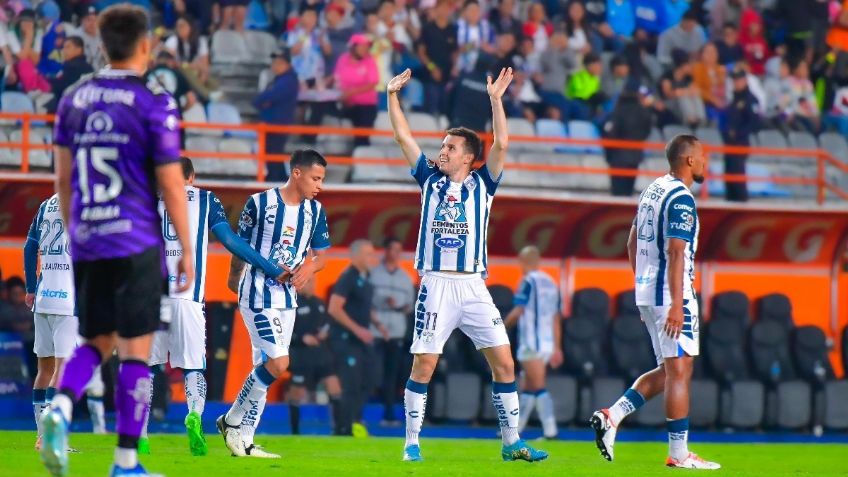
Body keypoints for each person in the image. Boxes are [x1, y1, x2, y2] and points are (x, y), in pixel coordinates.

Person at [41, 5, 194, 477]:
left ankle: (61, 407)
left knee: (93, 341)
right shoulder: (154, 98)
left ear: (101, 46)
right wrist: (187, 247)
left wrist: (76, 231)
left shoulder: (74, 98)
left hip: (89, 239)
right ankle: (126, 461)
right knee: (134, 350)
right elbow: (171, 183)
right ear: (145, 44)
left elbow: (63, 180)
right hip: (138, 242)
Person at [386, 66, 548, 463]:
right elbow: (403, 137)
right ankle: (411, 442)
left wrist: (495, 100)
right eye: (442, 145)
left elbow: (504, 144)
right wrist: (391, 96)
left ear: (471, 158)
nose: (442, 151)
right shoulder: (429, 180)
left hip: (474, 286)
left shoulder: (483, 185)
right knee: (424, 364)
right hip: (437, 284)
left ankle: (511, 443)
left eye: (451, 147)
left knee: (505, 361)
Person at [140, 157, 288, 456]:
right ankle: (194, 414)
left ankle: (140, 434)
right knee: (193, 366)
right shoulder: (206, 199)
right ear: (191, 177)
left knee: (144, 367)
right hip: (188, 297)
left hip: (148, 297)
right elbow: (230, 241)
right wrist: (270, 267)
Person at [591, 134, 720, 470]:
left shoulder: (653, 190)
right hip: (670, 296)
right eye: (703, 156)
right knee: (680, 371)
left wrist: (641, 289)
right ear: (689, 160)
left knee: (668, 370)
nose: (707, 162)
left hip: (649, 293)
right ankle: (679, 454)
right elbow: (677, 252)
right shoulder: (681, 198)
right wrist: (677, 303)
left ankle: (612, 415)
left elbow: (632, 242)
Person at [217, 149, 331, 458]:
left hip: (287, 299)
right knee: (279, 363)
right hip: (256, 293)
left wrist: (310, 267)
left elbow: (321, 255)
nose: (319, 185)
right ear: (297, 173)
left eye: (322, 179)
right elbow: (240, 244)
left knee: (265, 368)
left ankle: (245, 441)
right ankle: (231, 421)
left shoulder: (315, 211)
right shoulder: (260, 203)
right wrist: (233, 277)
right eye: (315, 178)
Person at [25, 194, 109, 451]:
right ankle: (51, 438)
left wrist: (31, 288)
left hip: (43, 298)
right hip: (67, 301)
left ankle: (42, 436)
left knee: (44, 370)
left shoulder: (46, 203)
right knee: (61, 372)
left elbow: (29, 247)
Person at [503, 246, 563, 440]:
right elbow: (555, 318)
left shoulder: (527, 281)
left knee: (538, 386)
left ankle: (551, 431)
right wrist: (557, 347)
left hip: (531, 342)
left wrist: (500, 327)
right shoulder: (551, 283)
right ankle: (516, 430)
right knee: (528, 386)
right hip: (546, 344)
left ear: (522, 261)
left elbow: (519, 310)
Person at [327, 239, 384, 436]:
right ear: (356, 255)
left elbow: (363, 308)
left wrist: (377, 324)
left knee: (368, 380)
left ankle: (355, 421)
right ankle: (344, 427)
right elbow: (334, 308)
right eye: (368, 254)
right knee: (350, 384)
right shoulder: (348, 277)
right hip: (345, 339)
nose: (372, 257)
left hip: (361, 341)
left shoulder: (366, 278)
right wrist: (357, 329)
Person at [287, 277, 343, 435]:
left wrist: (326, 333)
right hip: (301, 355)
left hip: (320, 354)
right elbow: (284, 331)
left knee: (334, 386)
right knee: (296, 393)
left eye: (313, 282)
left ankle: (339, 430)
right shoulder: (292, 303)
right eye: (309, 282)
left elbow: (328, 323)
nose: (312, 285)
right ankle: (295, 432)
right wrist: (301, 338)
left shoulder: (319, 303)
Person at [369, 237, 415, 425]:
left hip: (396, 331)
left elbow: (410, 306)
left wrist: (401, 306)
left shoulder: (405, 277)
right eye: (392, 249)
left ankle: (388, 415)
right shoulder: (373, 274)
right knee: (373, 372)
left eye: (398, 250)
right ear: (385, 251)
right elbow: (366, 302)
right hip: (375, 330)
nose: (395, 254)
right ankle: (361, 414)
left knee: (392, 375)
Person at [254, 49, 298, 182]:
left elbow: (271, 96)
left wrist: (263, 100)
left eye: (280, 63)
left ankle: (275, 180)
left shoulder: (288, 80)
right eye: (274, 63)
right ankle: (278, 179)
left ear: (288, 65)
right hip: (270, 123)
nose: (276, 66)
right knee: (271, 154)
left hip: (279, 123)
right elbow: (259, 100)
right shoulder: (277, 80)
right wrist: (262, 100)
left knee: (274, 154)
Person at [603, 78, 654, 196]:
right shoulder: (644, 112)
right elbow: (646, 132)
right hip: (634, 157)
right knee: (628, 193)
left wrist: (609, 153)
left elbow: (610, 132)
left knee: (617, 194)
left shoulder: (617, 110)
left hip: (617, 157)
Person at [334, 33, 379, 148]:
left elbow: (372, 83)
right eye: (362, 46)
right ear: (353, 47)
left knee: (363, 121)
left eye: (366, 47)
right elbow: (338, 78)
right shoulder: (343, 59)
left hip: (365, 105)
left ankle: (361, 153)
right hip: (344, 102)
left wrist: (351, 93)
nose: (365, 49)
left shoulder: (370, 61)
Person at [721, 68, 758, 202]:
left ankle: (741, 202)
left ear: (745, 80)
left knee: (738, 175)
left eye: (738, 80)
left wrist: (738, 133)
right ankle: (730, 201)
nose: (736, 83)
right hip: (729, 144)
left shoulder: (750, 100)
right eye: (734, 80)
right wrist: (727, 133)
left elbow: (754, 122)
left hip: (740, 143)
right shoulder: (733, 100)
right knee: (729, 174)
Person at [46, 36, 94, 113]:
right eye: (63, 48)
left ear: (79, 49)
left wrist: (44, 81)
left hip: (68, 108)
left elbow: (62, 86)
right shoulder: (89, 67)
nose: (64, 51)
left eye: (68, 47)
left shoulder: (72, 66)